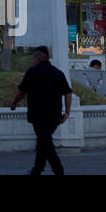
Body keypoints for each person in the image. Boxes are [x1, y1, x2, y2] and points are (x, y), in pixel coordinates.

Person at [9, 46, 72, 175]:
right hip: (54, 115)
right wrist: (67, 112)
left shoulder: (32, 72)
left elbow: (22, 91)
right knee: (43, 141)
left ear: (37, 58)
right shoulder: (58, 73)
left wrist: (14, 102)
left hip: (38, 114)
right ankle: (37, 169)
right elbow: (68, 93)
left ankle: (58, 170)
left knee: (46, 143)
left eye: (33, 57)